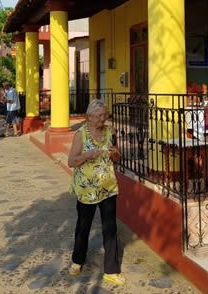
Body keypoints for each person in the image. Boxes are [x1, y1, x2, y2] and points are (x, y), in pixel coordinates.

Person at [67, 99, 124, 285]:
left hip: (107, 186)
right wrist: (88, 155)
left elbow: (117, 158)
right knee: (84, 225)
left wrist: (115, 153)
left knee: (110, 228)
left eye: (105, 115)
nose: (103, 119)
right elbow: (71, 161)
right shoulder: (80, 135)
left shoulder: (110, 132)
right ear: (89, 117)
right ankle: (77, 260)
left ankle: (112, 270)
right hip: (86, 188)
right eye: (99, 116)